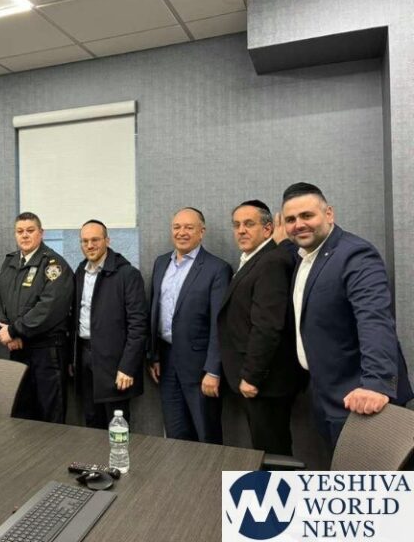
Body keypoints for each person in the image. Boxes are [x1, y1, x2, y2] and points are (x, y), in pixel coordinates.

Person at [282, 182, 413, 447]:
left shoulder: (355, 254)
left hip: (361, 401)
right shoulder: (305, 256)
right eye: (291, 220)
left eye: (307, 215)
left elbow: (374, 320)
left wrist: (376, 384)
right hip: (325, 395)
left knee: (367, 475)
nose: (299, 224)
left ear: (329, 214)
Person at [217, 200, 304, 455]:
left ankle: (278, 485)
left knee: (273, 453)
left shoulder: (271, 261)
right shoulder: (255, 259)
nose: (241, 230)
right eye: (236, 225)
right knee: (266, 450)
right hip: (257, 381)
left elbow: (267, 326)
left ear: (267, 229)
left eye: (249, 224)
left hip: (265, 383)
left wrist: (251, 377)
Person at [149, 207, 231, 444]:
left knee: (206, 434)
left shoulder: (217, 269)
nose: (181, 232)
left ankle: (211, 471)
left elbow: (219, 324)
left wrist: (213, 370)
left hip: (200, 368)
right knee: (176, 434)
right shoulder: (161, 263)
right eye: (177, 227)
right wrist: (154, 355)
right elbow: (155, 310)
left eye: (189, 227)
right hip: (166, 362)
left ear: (201, 232)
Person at [0, 212, 74, 423]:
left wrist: (14, 331)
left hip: (47, 351)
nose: (24, 235)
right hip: (17, 349)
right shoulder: (10, 262)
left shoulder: (54, 265)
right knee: (21, 414)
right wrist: (4, 330)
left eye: (30, 230)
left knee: (50, 415)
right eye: (20, 231)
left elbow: (49, 308)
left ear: (41, 233)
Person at [72, 220, 148, 428]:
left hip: (115, 365)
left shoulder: (127, 274)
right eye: (85, 241)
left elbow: (138, 326)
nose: (90, 245)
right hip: (85, 359)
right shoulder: (80, 272)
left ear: (107, 240)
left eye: (95, 240)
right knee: (91, 422)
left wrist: (127, 367)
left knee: (117, 427)